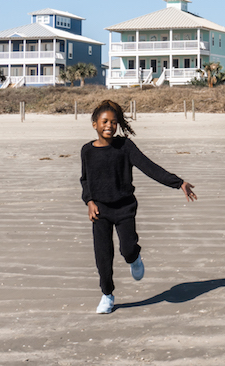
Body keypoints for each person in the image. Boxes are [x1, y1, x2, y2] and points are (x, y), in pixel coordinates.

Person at [80, 99, 197, 313]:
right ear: (94, 124)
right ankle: (107, 295)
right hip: (100, 211)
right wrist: (89, 201)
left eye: (114, 122)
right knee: (103, 257)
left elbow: (149, 167)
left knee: (128, 249)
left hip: (124, 208)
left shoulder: (125, 147)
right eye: (105, 121)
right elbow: (85, 180)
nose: (110, 126)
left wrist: (178, 182)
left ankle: (134, 259)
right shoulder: (87, 151)